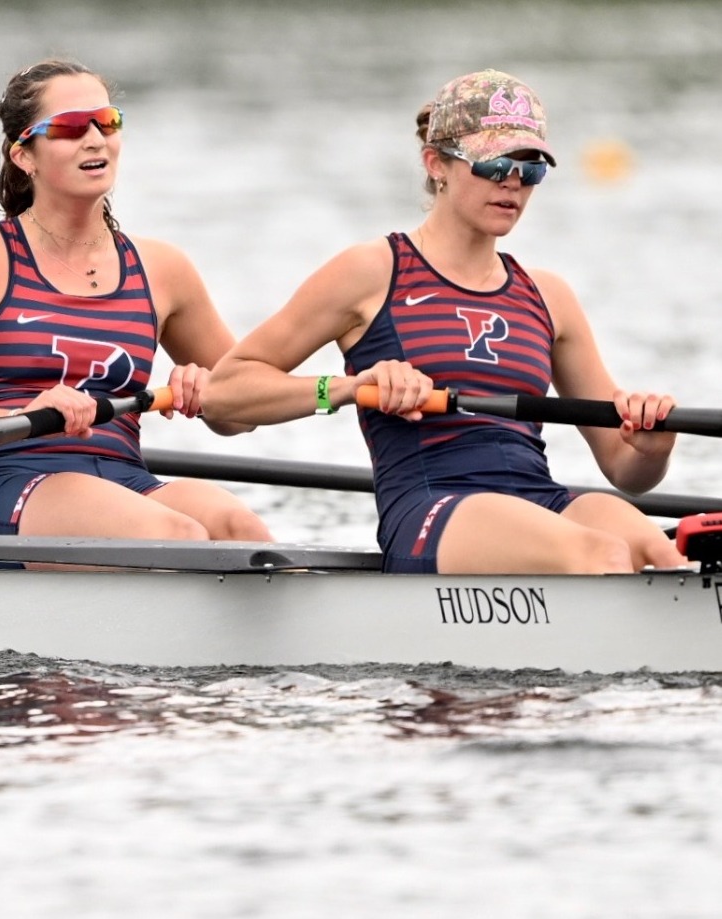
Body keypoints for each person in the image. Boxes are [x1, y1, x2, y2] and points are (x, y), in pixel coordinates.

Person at [204, 69, 685, 575]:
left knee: (661, 554)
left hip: (539, 499)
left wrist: (652, 446)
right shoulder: (372, 272)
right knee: (603, 554)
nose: (514, 182)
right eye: (495, 163)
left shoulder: (549, 296)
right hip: (433, 509)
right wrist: (348, 388)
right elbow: (225, 393)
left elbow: (624, 468)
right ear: (437, 164)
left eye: (531, 168)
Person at [0, 59, 271, 542]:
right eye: (68, 127)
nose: (94, 139)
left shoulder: (164, 269)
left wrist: (208, 389)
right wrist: (22, 417)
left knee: (240, 529)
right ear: (25, 155)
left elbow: (244, 415)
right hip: (18, 482)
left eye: (106, 122)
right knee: (177, 536)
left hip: (127, 480)